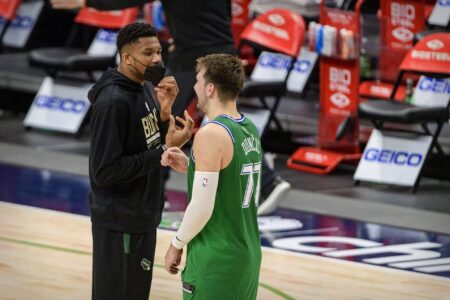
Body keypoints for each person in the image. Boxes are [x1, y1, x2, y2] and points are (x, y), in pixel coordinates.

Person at [51, 0, 290, 215]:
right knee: (225, 121)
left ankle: (266, 184)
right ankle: (266, 183)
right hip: (220, 50)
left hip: (194, 57)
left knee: (159, 121)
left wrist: (87, 1)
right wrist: (185, 36)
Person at [87, 22, 193, 300]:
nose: (157, 59)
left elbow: (148, 143)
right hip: (120, 218)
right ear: (126, 57)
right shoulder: (112, 102)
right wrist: (163, 151)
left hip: (141, 215)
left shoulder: (144, 88)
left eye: (159, 52)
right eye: (148, 53)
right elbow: (104, 172)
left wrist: (165, 113)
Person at [162, 54, 261, 299]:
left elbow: (202, 208)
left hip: (216, 256)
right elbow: (231, 178)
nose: (194, 87)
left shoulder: (210, 134)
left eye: (197, 81)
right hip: (246, 255)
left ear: (210, 88)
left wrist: (176, 244)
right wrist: (191, 166)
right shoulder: (249, 128)